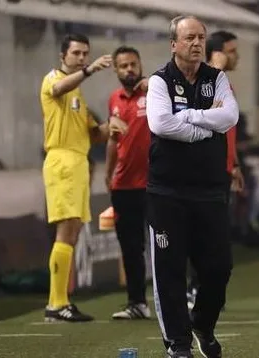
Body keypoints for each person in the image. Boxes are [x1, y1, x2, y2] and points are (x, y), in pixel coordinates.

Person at [145, 16, 239, 358]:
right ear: (174, 44)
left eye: (201, 37)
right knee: (170, 272)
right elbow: (160, 124)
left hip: (210, 191)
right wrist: (204, 124)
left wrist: (187, 117)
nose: (197, 43)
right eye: (189, 38)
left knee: (218, 268)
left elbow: (229, 117)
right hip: (167, 193)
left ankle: (202, 323)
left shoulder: (217, 79)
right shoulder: (159, 81)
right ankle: (178, 344)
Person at [40, 33, 128, 322]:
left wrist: (111, 126)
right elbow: (57, 90)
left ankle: (61, 301)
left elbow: (94, 134)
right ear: (62, 56)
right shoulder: (53, 79)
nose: (81, 58)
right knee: (66, 229)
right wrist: (88, 71)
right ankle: (56, 303)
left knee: (74, 230)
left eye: (85, 54)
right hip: (62, 161)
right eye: (76, 53)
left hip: (78, 162)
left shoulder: (77, 94)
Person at [186, 29, 244, 311]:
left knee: (217, 233)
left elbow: (228, 129)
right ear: (217, 52)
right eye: (231, 50)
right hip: (205, 169)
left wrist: (234, 164)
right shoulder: (204, 81)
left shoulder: (223, 83)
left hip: (222, 168)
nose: (236, 56)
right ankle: (195, 289)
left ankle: (205, 290)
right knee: (204, 232)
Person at [104, 45, 152, 320]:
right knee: (131, 248)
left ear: (140, 64)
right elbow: (113, 138)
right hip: (124, 186)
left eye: (133, 64)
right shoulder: (114, 99)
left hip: (156, 184)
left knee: (166, 244)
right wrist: (109, 173)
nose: (129, 69)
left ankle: (180, 298)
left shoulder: (155, 93)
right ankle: (137, 303)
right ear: (116, 70)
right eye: (124, 66)